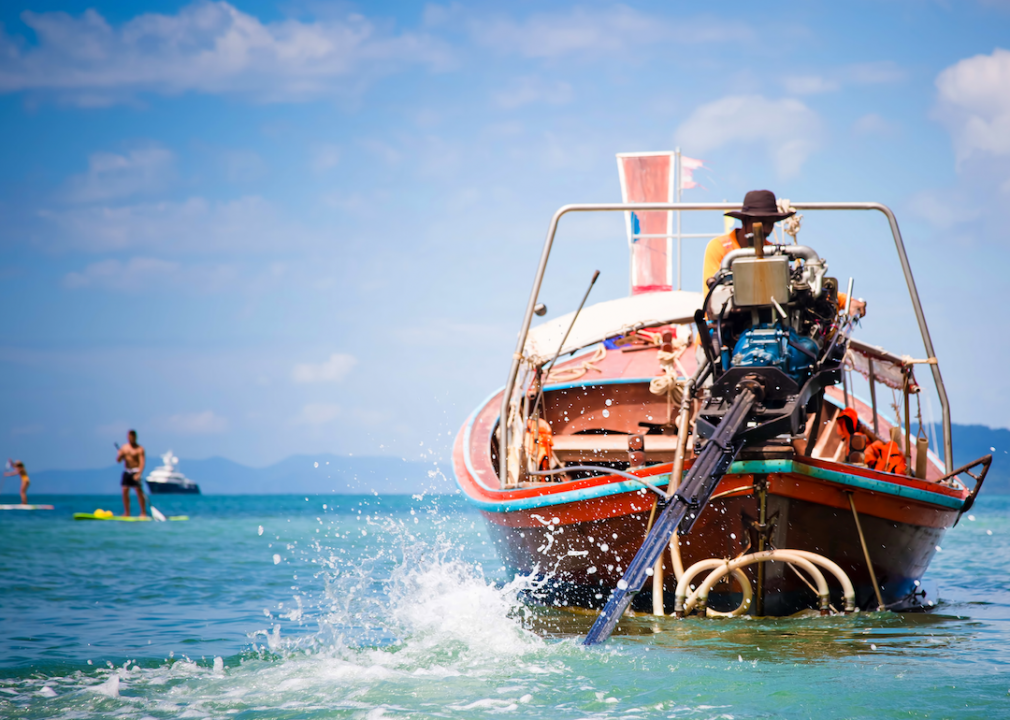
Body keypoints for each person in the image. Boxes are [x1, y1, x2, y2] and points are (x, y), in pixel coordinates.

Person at [702, 189, 866, 317]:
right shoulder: (719, 247)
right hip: (721, 334)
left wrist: (846, 301)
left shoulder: (774, 252)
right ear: (745, 220)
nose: (766, 229)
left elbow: (798, 284)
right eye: (761, 222)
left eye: (771, 223)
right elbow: (711, 299)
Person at [116, 429, 147, 517]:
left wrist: (139, 474)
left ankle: (143, 512)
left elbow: (142, 463)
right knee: (125, 491)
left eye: (132, 437)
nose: (131, 439)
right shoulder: (124, 448)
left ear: (135, 437)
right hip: (127, 471)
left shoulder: (140, 449)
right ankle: (127, 513)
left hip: (136, 471)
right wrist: (120, 455)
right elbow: (118, 461)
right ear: (128, 437)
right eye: (130, 437)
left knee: (139, 491)